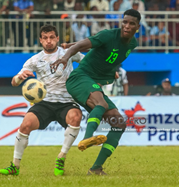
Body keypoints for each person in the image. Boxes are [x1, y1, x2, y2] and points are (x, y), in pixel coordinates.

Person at [50, 9, 141, 175]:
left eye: (131, 24)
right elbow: (82, 45)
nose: (127, 26)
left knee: (119, 123)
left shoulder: (132, 44)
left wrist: (111, 71)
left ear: (138, 27)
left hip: (92, 83)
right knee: (101, 103)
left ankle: (96, 169)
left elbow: (108, 56)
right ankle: (87, 138)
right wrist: (66, 56)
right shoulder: (108, 35)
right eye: (125, 22)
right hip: (79, 78)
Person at [0, 25, 84, 176]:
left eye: (52, 37)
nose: (49, 41)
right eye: (45, 38)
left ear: (57, 38)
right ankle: (14, 166)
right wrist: (19, 77)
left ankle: (61, 158)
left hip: (67, 101)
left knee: (76, 117)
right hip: (45, 102)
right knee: (26, 124)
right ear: (40, 40)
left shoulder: (68, 53)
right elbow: (14, 82)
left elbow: (87, 62)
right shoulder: (35, 60)